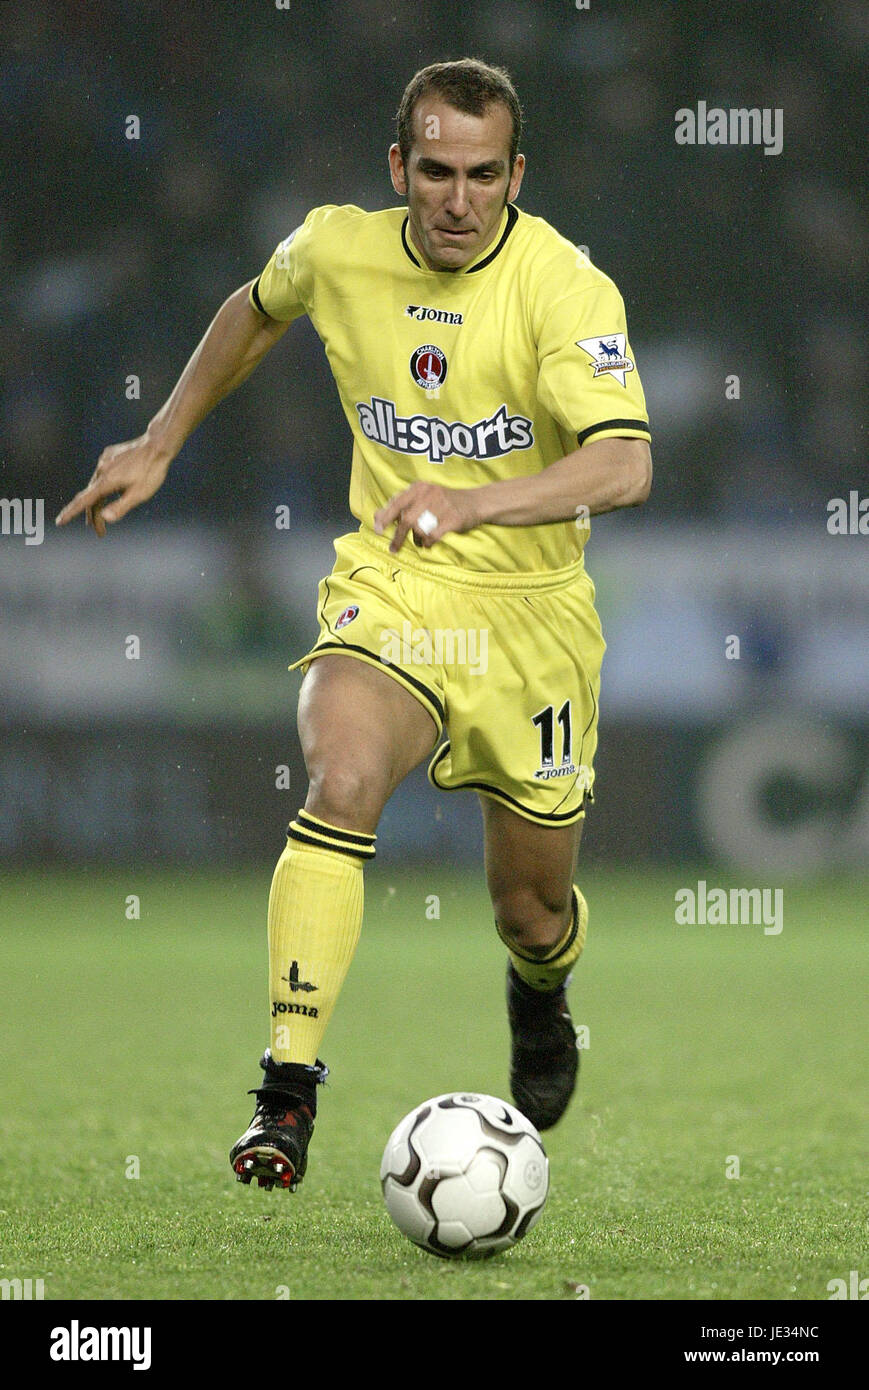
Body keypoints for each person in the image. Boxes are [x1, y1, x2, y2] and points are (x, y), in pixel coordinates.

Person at [56, 59, 652, 1193]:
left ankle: (539, 997)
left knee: (529, 909)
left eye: (482, 174)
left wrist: (469, 500)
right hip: (393, 583)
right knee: (336, 777)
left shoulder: (566, 288)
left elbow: (623, 463)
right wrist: (162, 439)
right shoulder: (336, 245)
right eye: (434, 171)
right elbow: (254, 307)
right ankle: (286, 1094)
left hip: (530, 619)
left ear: (515, 174)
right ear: (398, 168)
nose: (456, 199)